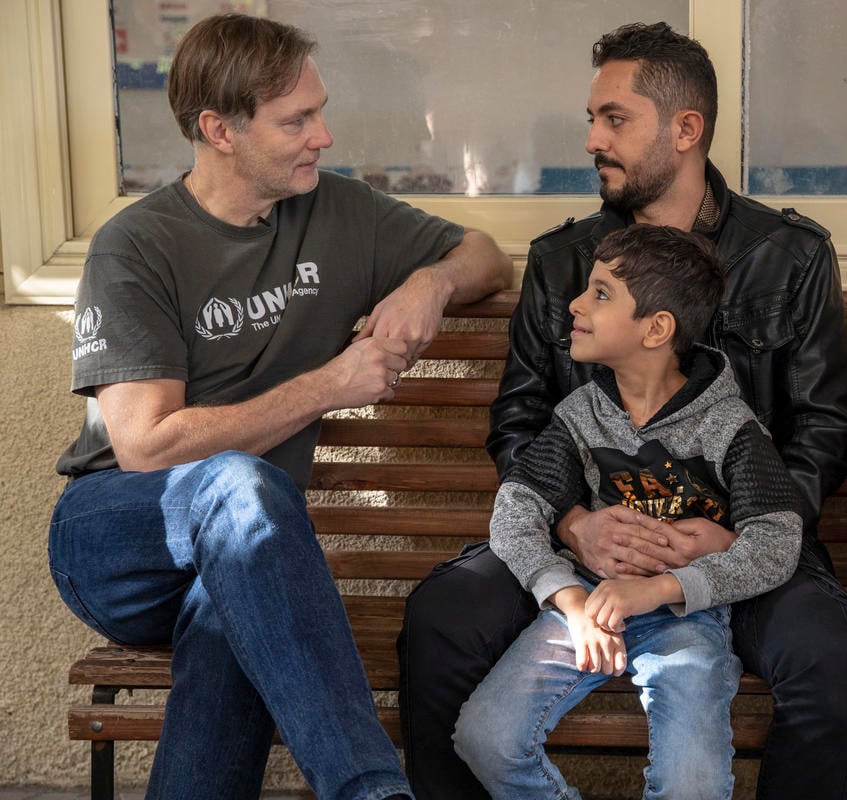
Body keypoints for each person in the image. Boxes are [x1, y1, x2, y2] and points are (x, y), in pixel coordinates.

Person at [400, 21, 847, 800]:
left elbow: (824, 427)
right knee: (441, 619)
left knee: (830, 652)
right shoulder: (563, 261)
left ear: (686, 129)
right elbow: (520, 424)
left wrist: (737, 530)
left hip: (741, 536)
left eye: (614, 119)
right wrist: (573, 524)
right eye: (592, 118)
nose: (592, 138)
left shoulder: (789, 254)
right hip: (585, 531)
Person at [47, 13, 511, 800]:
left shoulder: (340, 213)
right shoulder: (137, 245)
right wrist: (333, 383)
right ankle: (370, 789)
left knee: (239, 611)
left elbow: (485, 254)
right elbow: (149, 450)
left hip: (248, 551)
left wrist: (427, 283)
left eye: (319, 111)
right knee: (244, 487)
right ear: (218, 130)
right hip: (118, 537)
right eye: (296, 120)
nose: (323, 136)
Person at [454, 224, 805, 799]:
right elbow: (514, 512)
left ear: (657, 328)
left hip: (689, 619)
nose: (574, 304)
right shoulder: (580, 415)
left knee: (691, 784)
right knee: (487, 738)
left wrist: (659, 590)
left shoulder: (728, 426)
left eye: (600, 293)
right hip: (587, 607)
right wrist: (569, 602)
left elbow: (776, 542)